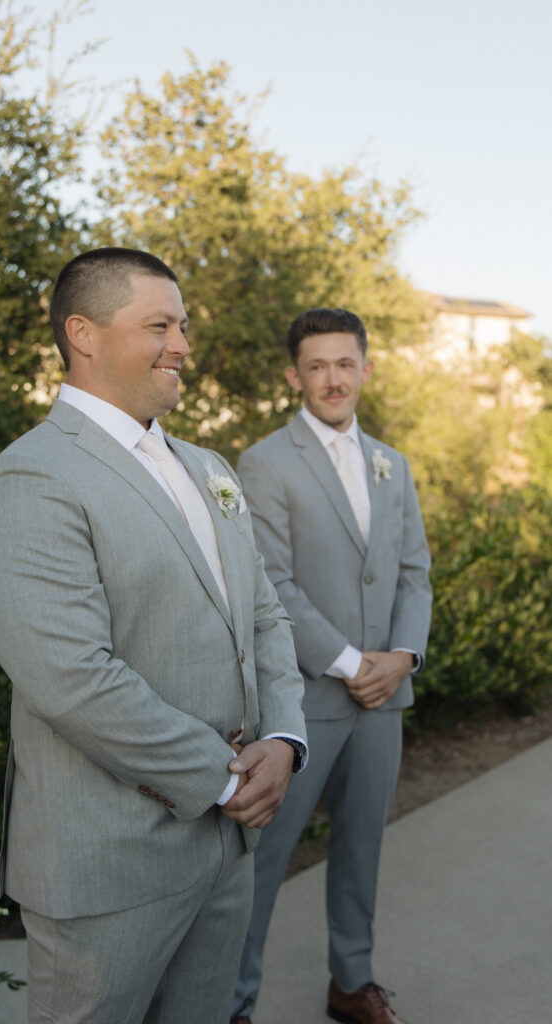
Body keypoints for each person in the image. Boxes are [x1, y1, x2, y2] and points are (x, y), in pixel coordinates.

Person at [0, 247, 307, 1024]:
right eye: (159, 324)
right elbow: (72, 678)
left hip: (224, 858)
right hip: (108, 870)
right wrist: (226, 781)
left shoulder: (207, 465)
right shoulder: (30, 480)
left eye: (181, 324)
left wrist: (284, 737)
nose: (182, 344)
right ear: (82, 332)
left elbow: (262, 615)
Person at [230, 308, 432, 1024]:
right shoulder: (263, 462)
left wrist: (401, 658)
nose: (331, 378)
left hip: (384, 699)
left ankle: (350, 981)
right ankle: (233, 1003)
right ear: (294, 376)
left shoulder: (392, 462)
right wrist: (352, 663)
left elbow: (413, 574)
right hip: (306, 700)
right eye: (315, 366)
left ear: (365, 369)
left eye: (344, 363)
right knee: (261, 857)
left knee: (362, 845)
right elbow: (272, 585)